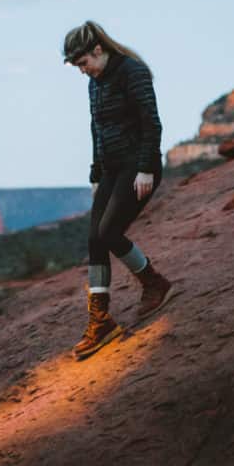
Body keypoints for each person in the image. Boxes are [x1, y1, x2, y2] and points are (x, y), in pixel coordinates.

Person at [62, 19, 174, 360]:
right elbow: (97, 127)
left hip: (138, 166)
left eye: (83, 64)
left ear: (98, 49)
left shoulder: (132, 71)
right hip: (112, 168)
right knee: (95, 238)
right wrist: (97, 171)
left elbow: (151, 122)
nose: (83, 71)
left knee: (110, 232)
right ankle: (101, 319)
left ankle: (154, 283)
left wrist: (145, 168)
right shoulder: (95, 82)